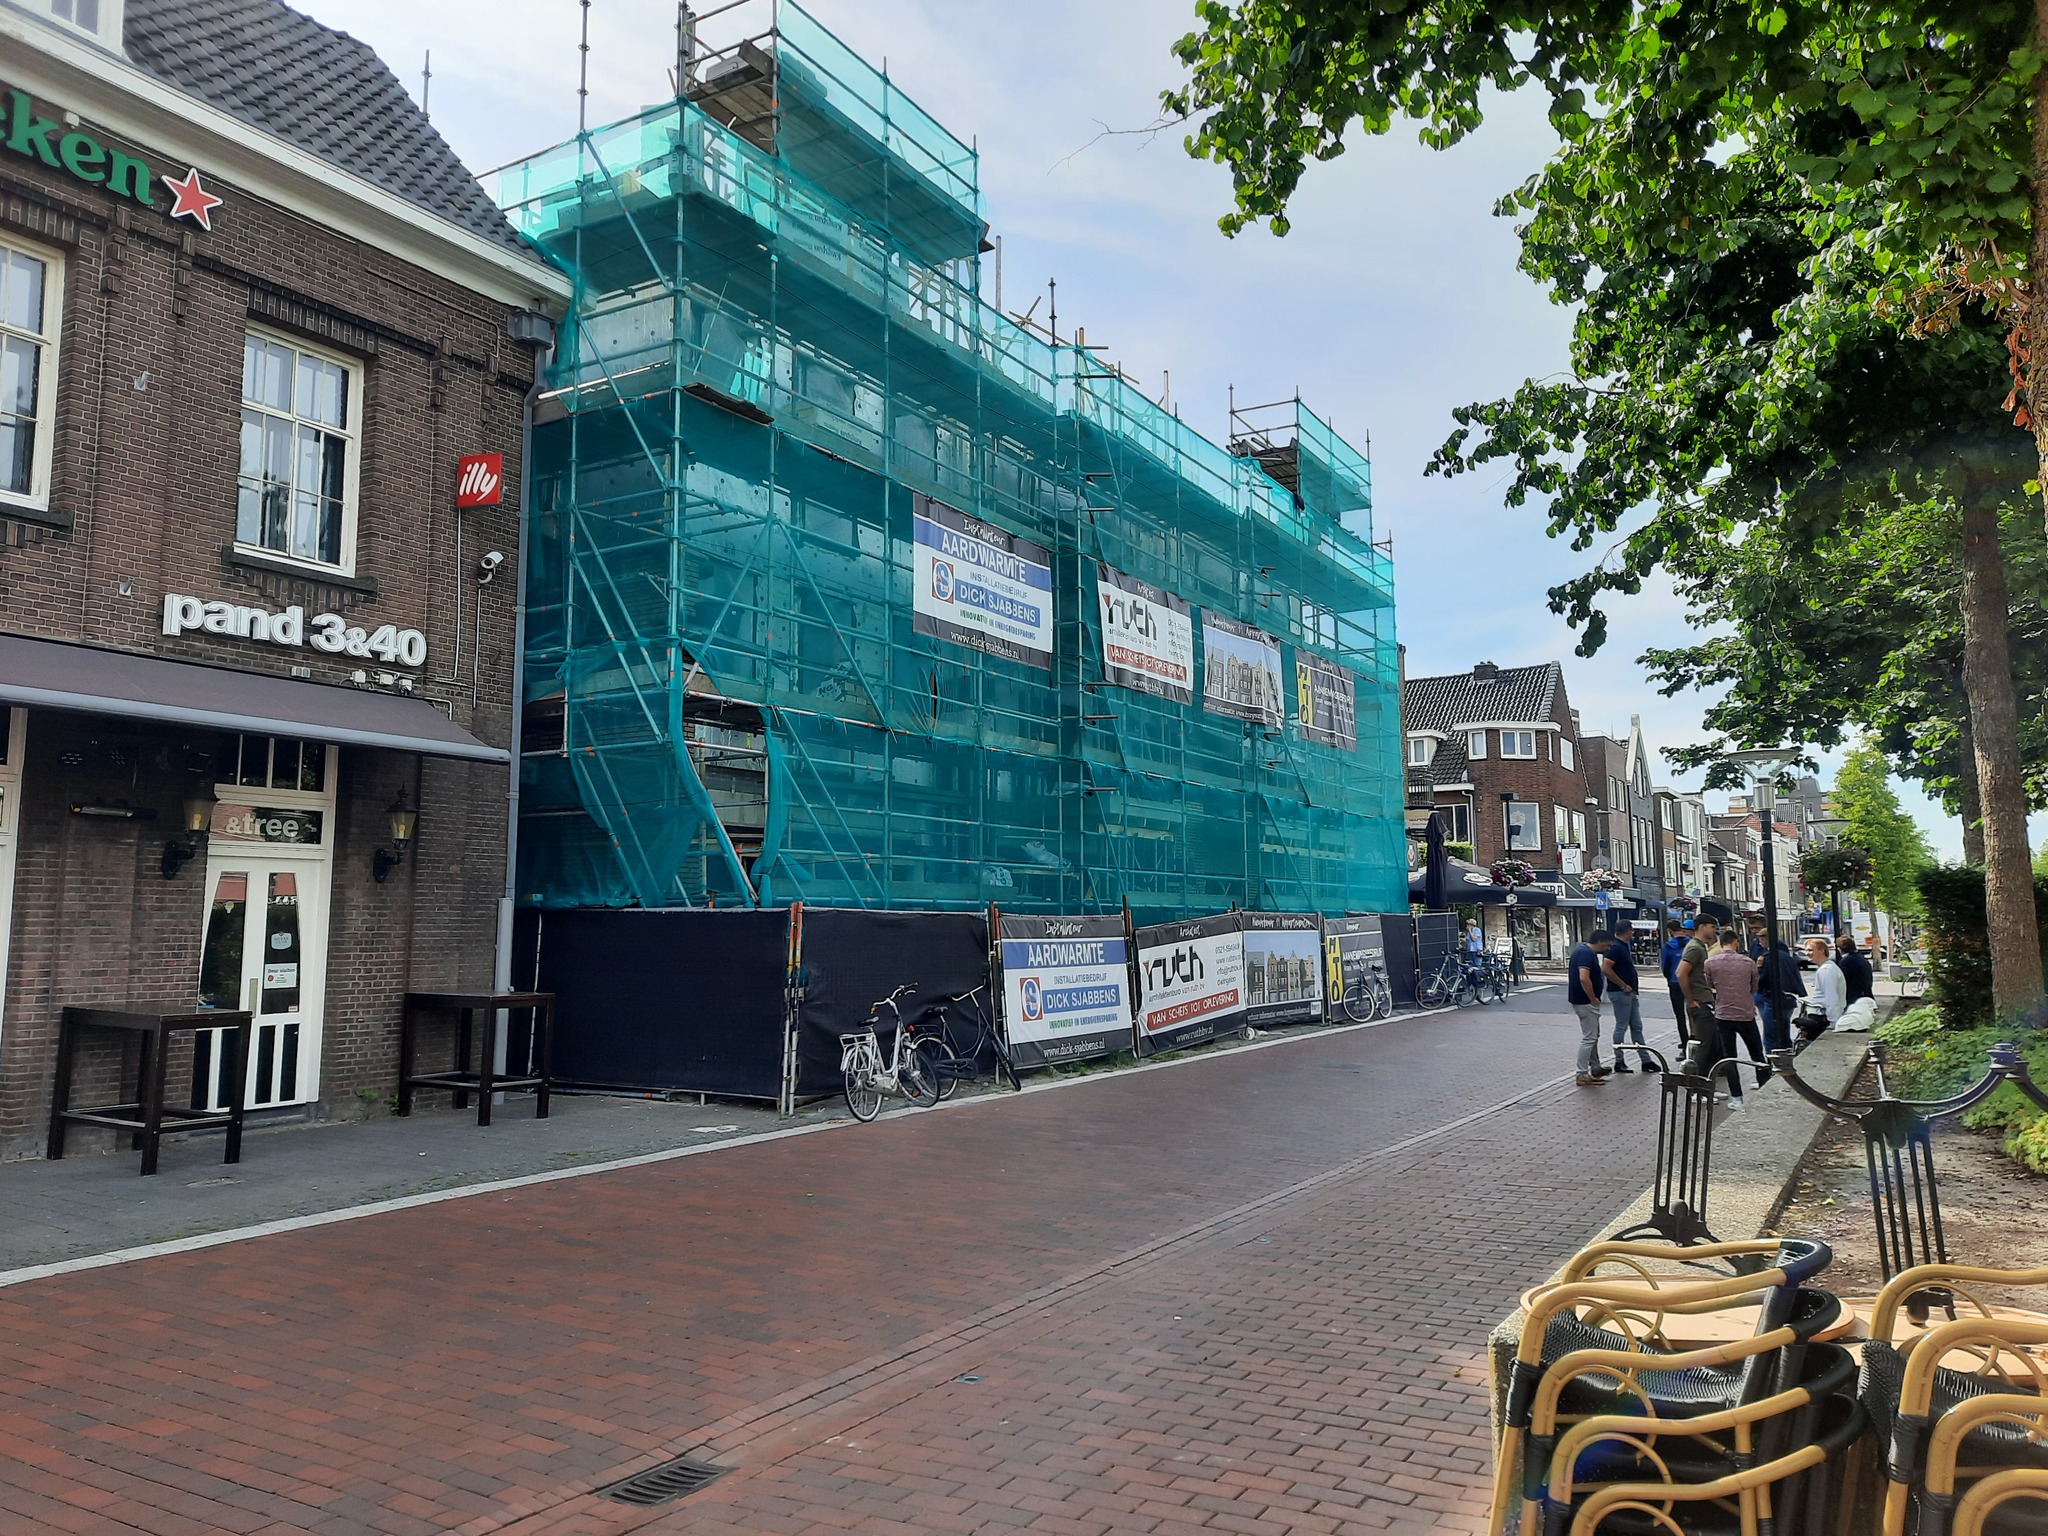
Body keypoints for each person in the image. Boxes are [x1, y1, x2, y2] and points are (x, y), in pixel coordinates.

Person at [1705, 928, 1771, 1109]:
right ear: (1736, 942)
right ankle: (1764, 1088)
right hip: (1745, 1013)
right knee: (1756, 1052)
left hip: (1723, 1013)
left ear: (1721, 943)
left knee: (1729, 1056)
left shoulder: (1710, 963)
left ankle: (1737, 1097)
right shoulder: (1748, 962)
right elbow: (1754, 986)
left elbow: (1710, 984)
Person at [1568, 930, 1614, 1085]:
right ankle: (1581, 1073)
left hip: (1583, 1000)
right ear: (1600, 941)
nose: (1608, 948)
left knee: (1593, 1035)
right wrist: (1593, 997)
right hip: (1585, 1001)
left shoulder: (1584, 951)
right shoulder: (1586, 954)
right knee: (1589, 1037)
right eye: (1607, 945)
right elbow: (1584, 977)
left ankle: (1595, 1066)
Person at [1675, 915, 1719, 1073]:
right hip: (1701, 1001)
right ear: (1702, 927)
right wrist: (1691, 1000)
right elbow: (1681, 973)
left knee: (1712, 1044)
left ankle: (1704, 1080)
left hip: (1704, 999)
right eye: (1712, 927)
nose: (1714, 931)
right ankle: (1696, 1082)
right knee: (1704, 1046)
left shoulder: (1700, 947)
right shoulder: (1695, 948)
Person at [1604, 926, 1648, 1070]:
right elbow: (1606, 968)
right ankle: (1619, 1060)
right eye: (1632, 930)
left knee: (1636, 1026)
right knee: (1621, 1026)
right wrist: (1622, 985)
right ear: (1628, 931)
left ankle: (1646, 1060)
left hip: (1629, 992)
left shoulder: (1623, 946)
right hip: (1621, 992)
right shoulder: (1616, 947)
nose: (1633, 933)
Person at [1755, 936, 1806, 1053]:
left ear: (1766, 940)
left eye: (1761, 940)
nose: (1759, 943)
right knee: (1783, 1032)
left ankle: (1773, 1059)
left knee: (1770, 1035)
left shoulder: (1768, 957)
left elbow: (1762, 980)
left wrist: (1758, 968)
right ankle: (1787, 1054)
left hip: (1773, 999)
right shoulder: (1786, 957)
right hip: (1788, 998)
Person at [1801, 937, 1845, 1037]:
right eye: (1806, 950)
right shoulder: (1827, 968)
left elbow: (1831, 998)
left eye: (1811, 950)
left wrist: (1833, 1023)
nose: (1807, 953)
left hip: (1821, 1017)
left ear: (1822, 950)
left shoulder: (1826, 970)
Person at [1660, 919, 1692, 1050]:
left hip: (1675, 982)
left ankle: (1684, 1041)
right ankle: (1696, 1038)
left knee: (1680, 1015)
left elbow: (1665, 967)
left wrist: (1669, 979)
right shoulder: (1691, 943)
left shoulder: (1668, 947)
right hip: (1691, 982)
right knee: (1694, 1012)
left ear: (1670, 930)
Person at [1836, 933, 1877, 1031]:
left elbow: (1843, 980)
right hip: (1865, 993)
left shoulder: (1846, 961)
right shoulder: (1860, 958)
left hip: (1854, 997)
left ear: (1840, 949)